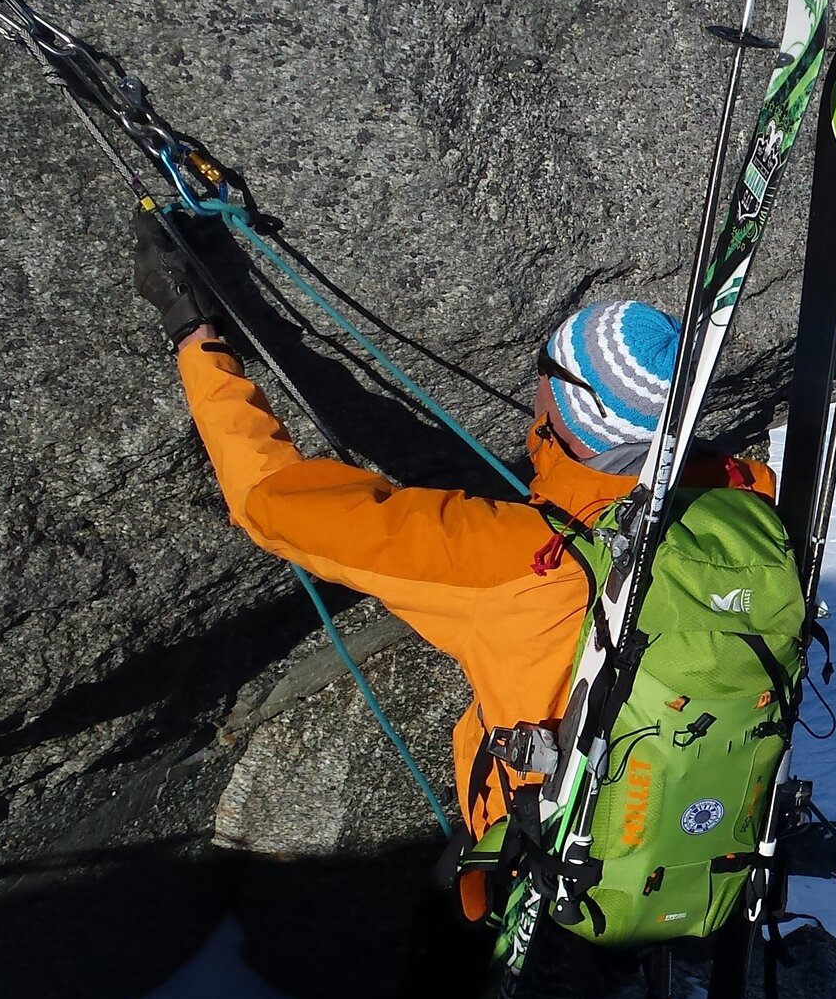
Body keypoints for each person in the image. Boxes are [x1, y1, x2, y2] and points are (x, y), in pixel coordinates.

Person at [130, 216, 776, 959]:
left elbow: (271, 501)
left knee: (441, 954)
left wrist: (193, 331)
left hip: (535, 855)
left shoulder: (512, 559)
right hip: (679, 831)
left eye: (546, 377)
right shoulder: (750, 508)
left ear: (566, 410)